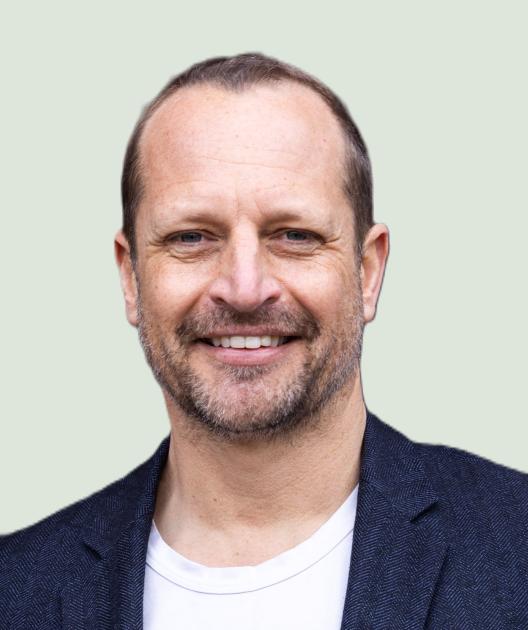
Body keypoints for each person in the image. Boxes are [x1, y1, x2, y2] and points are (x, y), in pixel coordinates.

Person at [1, 53, 527, 630]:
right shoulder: (16, 591)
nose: (245, 289)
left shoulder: (514, 548)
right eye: (192, 237)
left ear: (368, 271)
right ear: (131, 277)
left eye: (294, 235)